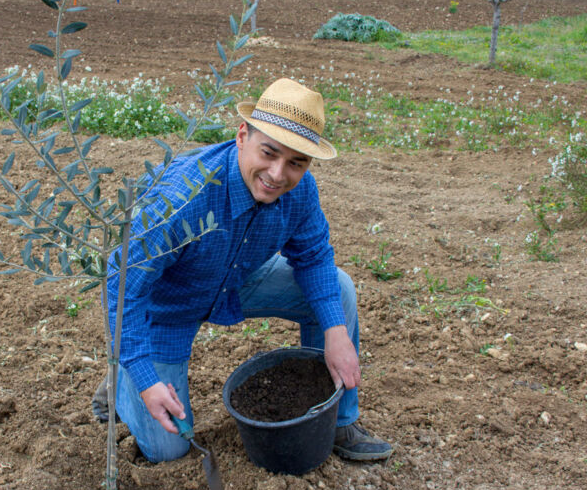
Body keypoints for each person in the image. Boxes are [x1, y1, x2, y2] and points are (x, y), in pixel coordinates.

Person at [96, 77, 392, 464]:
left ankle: (337, 419)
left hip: (238, 280)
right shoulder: (181, 198)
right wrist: (145, 378)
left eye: (296, 163)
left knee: (339, 289)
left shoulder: (299, 191)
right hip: (166, 310)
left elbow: (315, 256)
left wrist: (336, 332)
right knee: (168, 449)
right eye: (268, 153)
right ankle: (124, 378)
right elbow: (122, 289)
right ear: (241, 136)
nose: (277, 173)